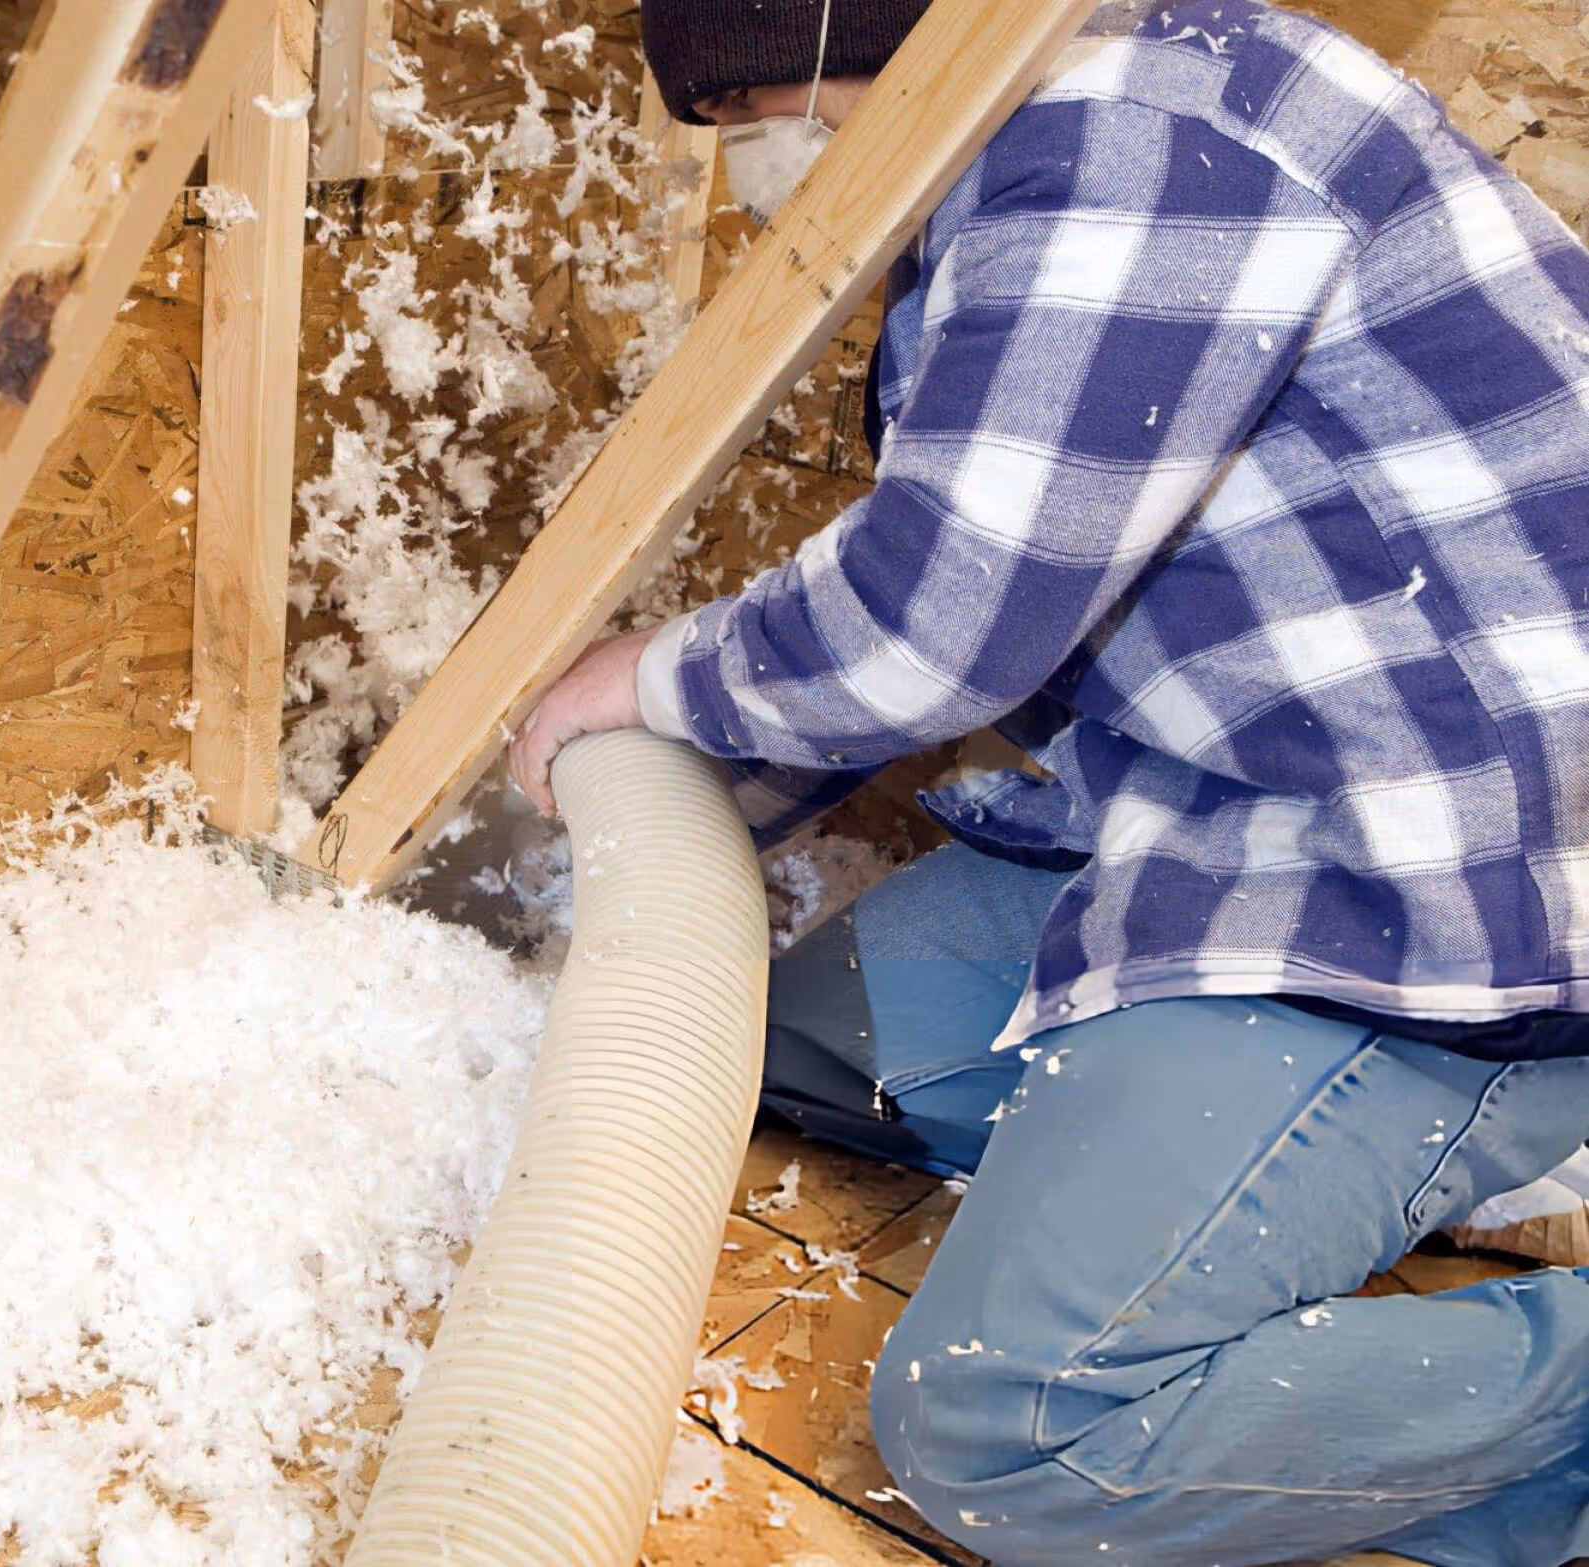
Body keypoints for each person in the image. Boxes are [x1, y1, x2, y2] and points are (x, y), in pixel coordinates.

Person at [507, 1, 1589, 1562]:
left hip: (1431, 900)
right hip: (1229, 813)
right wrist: (694, 787)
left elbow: (938, 621)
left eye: (755, 100)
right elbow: (1002, 599)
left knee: (1013, 1426)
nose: (757, 154)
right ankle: (1346, 1176)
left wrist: (650, 674)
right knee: (789, 1036)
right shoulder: (1036, 155)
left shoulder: (1141, 133)